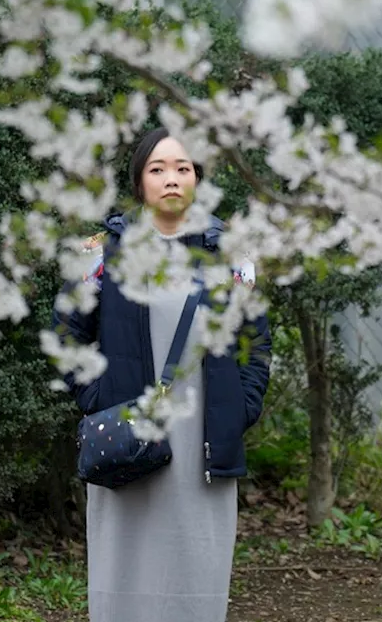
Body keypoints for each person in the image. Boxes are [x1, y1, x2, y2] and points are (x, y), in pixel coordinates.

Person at [53, 127, 271, 622]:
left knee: (196, 570)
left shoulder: (232, 253)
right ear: (138, 183)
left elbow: (255, 340)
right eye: (157, 169)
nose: (171, 179)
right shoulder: (100, 252)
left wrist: (240, 409)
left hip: (204, 440)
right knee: (124, 573)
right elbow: (65, 335)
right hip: (128, 438)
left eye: (183, 168)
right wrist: (99, 399)